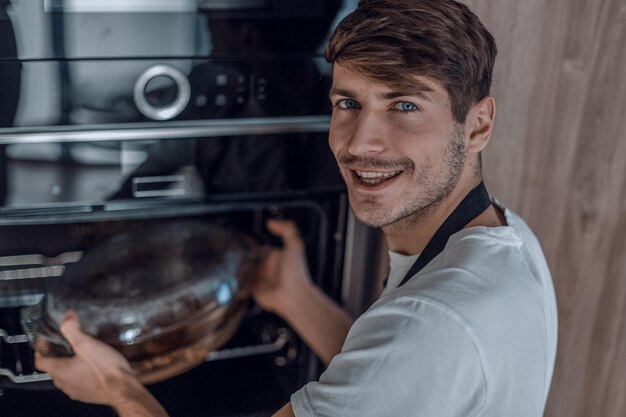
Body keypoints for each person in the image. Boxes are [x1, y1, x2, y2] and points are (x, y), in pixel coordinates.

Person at [35, 0, 558, 416]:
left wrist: (116, 386)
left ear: (478, 125)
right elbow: (392, 383)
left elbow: (411, 351)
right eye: (348, 103)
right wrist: (296, 298)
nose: (361, 144)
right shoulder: (507, 240)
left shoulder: (433, 324)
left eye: (404, 105)